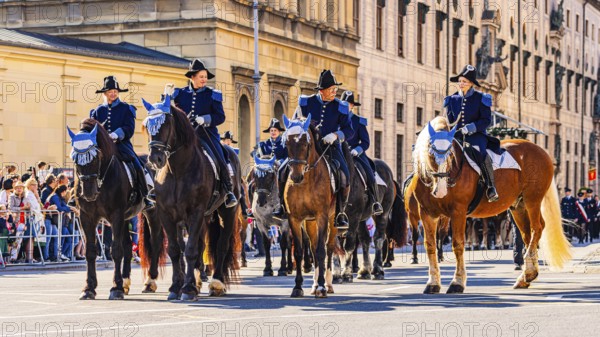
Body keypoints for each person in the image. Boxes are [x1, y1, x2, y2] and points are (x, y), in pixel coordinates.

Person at [279, 69, 354, 227]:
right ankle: (281, 206)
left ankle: (340, 213)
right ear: (322, 91)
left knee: (344, 175)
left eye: (335, 88)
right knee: (282, 169)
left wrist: (335, 135)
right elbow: (294, 123)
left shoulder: (341, 106)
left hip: (330, 147)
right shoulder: (305, 102)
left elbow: (349, 130)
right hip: (306, 147)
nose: (335, 92)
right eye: (331, 89)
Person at [166, 59, 237, 207]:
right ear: (192, 77)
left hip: (206, 135)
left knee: (220, 155)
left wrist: (205, 119)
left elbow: (220, 116)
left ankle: (228, 190)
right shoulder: (179, 93)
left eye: (205, 77)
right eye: (201, 76)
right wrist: (166, 96)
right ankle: (159, 187)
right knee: (166, 152)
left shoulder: (213, 94)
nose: (204, 79)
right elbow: (165, 111)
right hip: (184, 137)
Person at [90, 75, 154, 209]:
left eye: (115, 91)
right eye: (110, 91)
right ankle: (79, 195)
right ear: (105, 93)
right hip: (102, 148)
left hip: (122, 146)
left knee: (137, 165)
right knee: (86, 162)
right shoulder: (97, 111)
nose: (113, 93)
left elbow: (129, 128)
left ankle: (145, 194)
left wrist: (117, 134)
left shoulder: (126, 108)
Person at [444, 65, 498, 202]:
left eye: (465, 82)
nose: (461, 84)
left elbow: (486, 121)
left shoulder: (481, 98)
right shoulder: (451, 99)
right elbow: (449, 121)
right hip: (456, 136)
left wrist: (472, 127)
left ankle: (491, 186)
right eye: (460, 81)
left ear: (472, 84)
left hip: (476, 136)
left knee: (481, 153)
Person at [341, 90, 383, 215]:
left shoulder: (358, 121)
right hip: (339, 151)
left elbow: (365, 142)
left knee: (369, 172)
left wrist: (357, 150)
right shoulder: (336, 119)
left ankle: (375, 201)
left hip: (355, 154)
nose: (346, 106)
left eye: (348, 104)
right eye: (343, 103)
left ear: (352, 106)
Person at [49, 184, 79, 261]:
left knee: (69, 239)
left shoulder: (60, 198)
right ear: (64, 191)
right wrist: (70, 209)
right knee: (60, 239)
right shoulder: (55, 197)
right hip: (57, 221)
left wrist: (69, 208)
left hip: (62, 222)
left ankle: (62, 254)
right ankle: (57, 254)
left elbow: (64, 207)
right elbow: (59, 208)